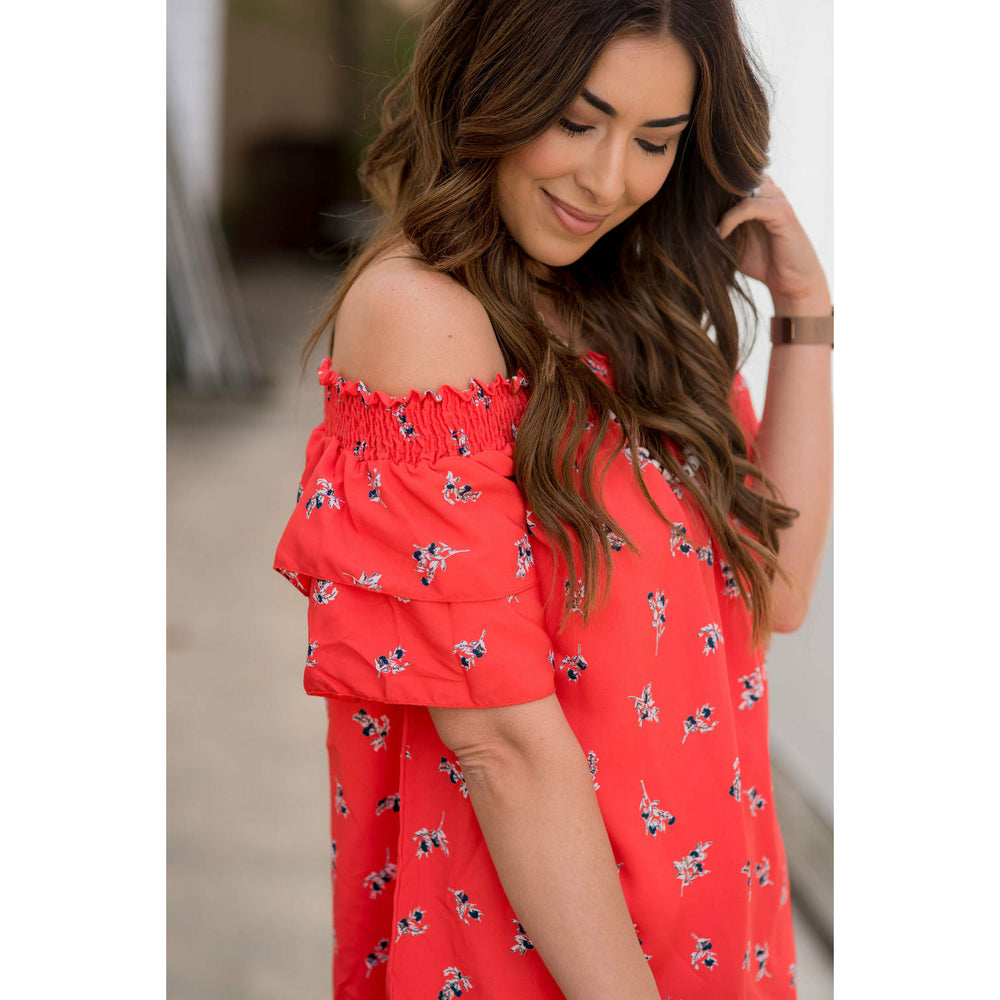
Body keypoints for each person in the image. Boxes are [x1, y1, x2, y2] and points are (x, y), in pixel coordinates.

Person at [273, 0, 832, 997]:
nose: (607, 180)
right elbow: (500, 745)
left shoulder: (636, 306)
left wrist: (805, 317)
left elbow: (776, 594)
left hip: (715, 915)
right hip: (552, 951)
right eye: (577, 121)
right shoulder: (423, 318)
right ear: (493, 83)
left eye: (653, 141)